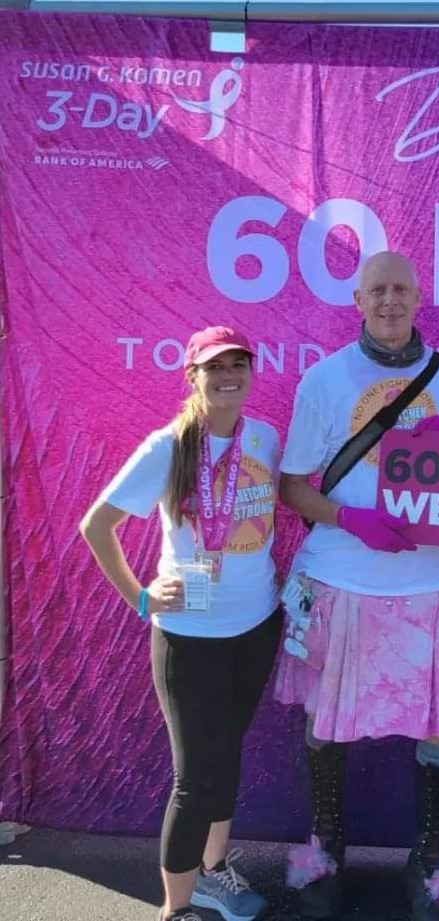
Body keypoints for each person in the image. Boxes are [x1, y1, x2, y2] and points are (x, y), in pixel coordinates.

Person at [273, 250, 439, 921]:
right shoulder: (325, 379)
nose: (390, 301)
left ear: (419, 297)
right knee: (325, 721)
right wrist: (351, 518)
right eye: (377, 291)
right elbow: (292, 485)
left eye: (401, 289)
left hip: (432, 580)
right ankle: (326, 849)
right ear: (357, 300)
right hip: (343, 576)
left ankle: (427, 863)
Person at [80, 326, 282, 921]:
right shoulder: (167, 448)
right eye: (214, 366)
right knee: (193, 781)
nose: (228, 375)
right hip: (190, 637)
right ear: (192, 376)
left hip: (256, 626)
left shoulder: (265, 439)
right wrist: (141, 599)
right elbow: (97, 526)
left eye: (238, 364)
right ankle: (176, 907)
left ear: (250, 372)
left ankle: (215, 875)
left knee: (226, 757)